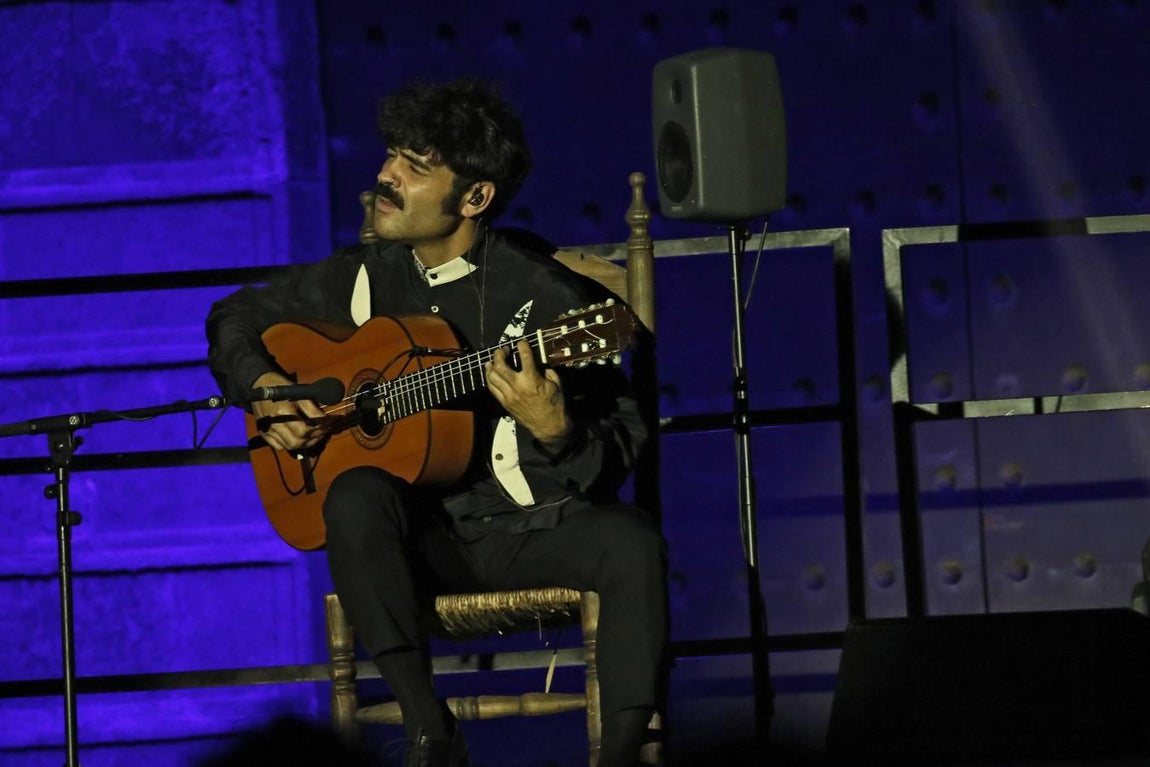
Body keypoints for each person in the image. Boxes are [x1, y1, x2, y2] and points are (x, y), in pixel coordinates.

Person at [206, 78, 668, 767]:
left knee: (632, 542)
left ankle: (622, 756)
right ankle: (433, 732)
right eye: (392, 154)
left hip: (527, 532)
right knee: (355, 492)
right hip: (415, 545)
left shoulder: (549, 299)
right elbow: (235, 315)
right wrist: (267, 387)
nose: (385, 176)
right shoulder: (362, 276)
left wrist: (555, 429)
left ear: (475, 197)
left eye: (415, 167)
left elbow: (620, 446)